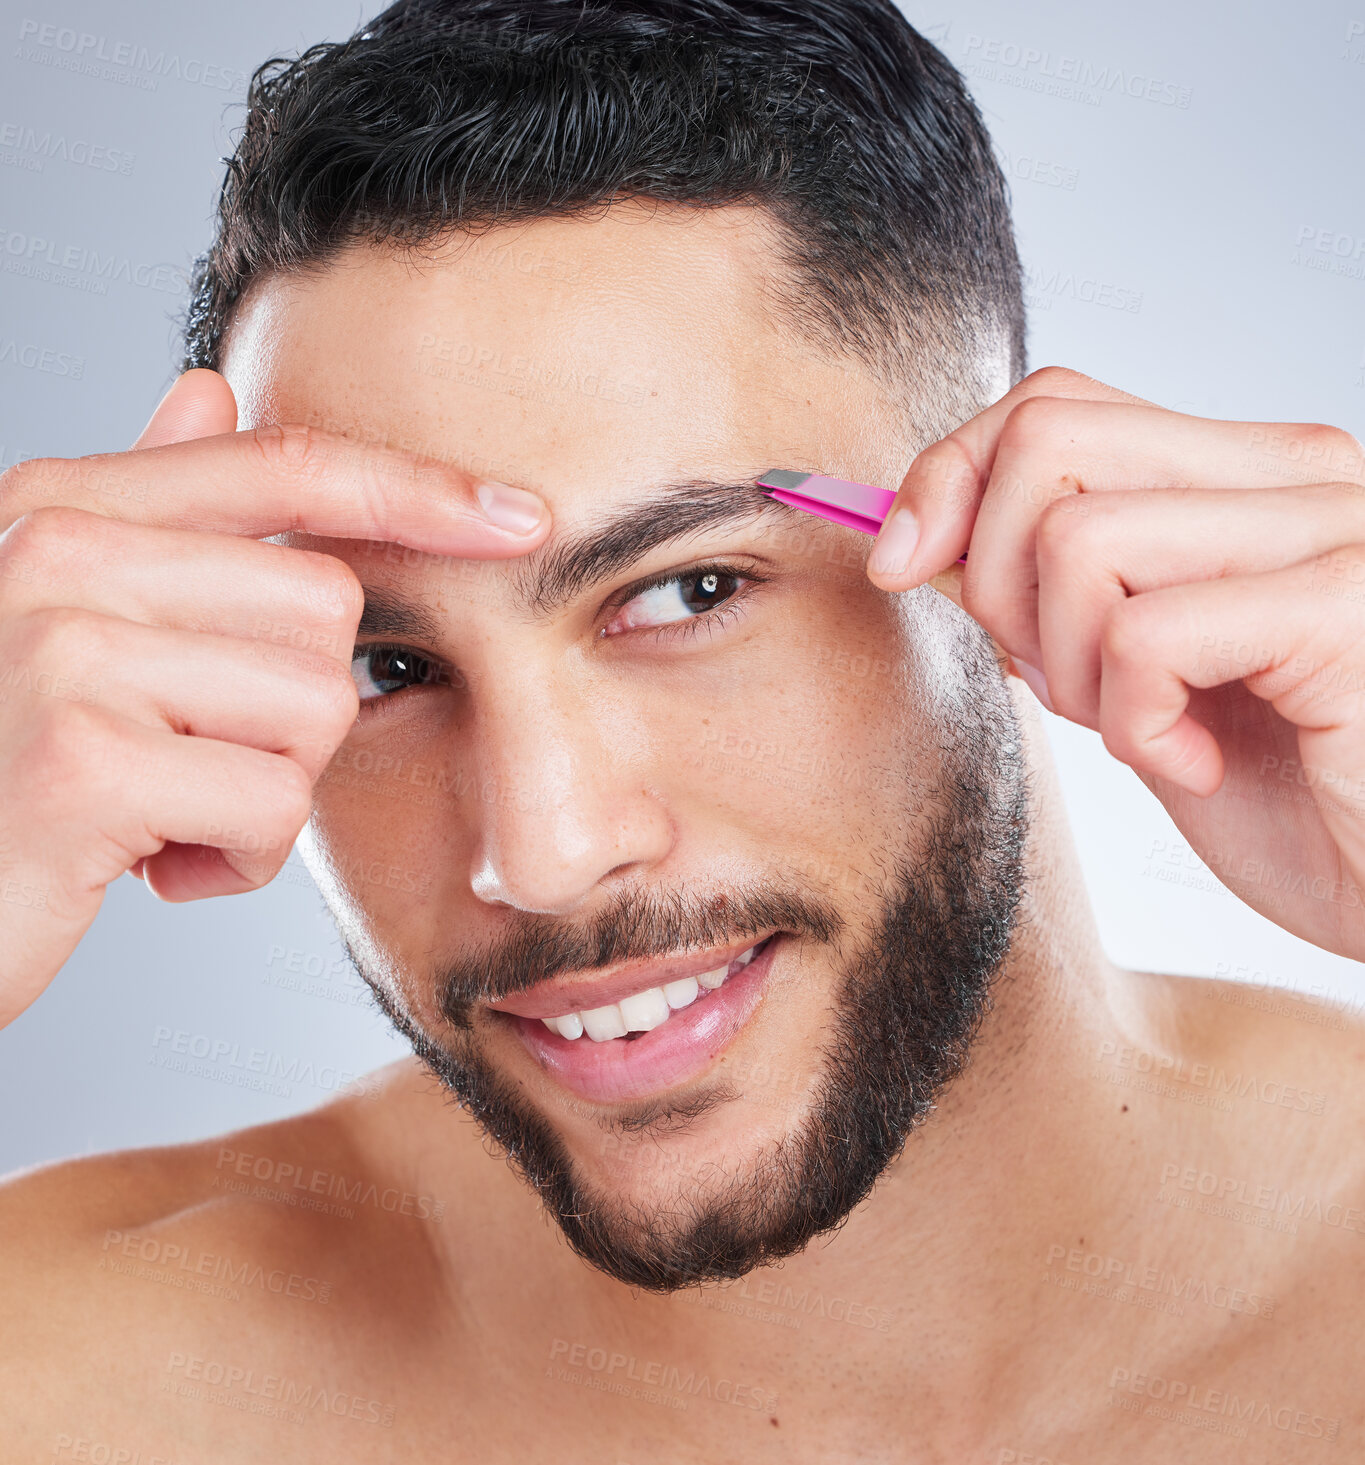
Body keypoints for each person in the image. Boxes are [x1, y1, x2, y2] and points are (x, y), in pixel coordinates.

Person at [3, 0, 1363, 1457]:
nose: (542, 850)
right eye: (386, 666)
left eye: (688, 589)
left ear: (1007, 522)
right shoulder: (91, 1372)